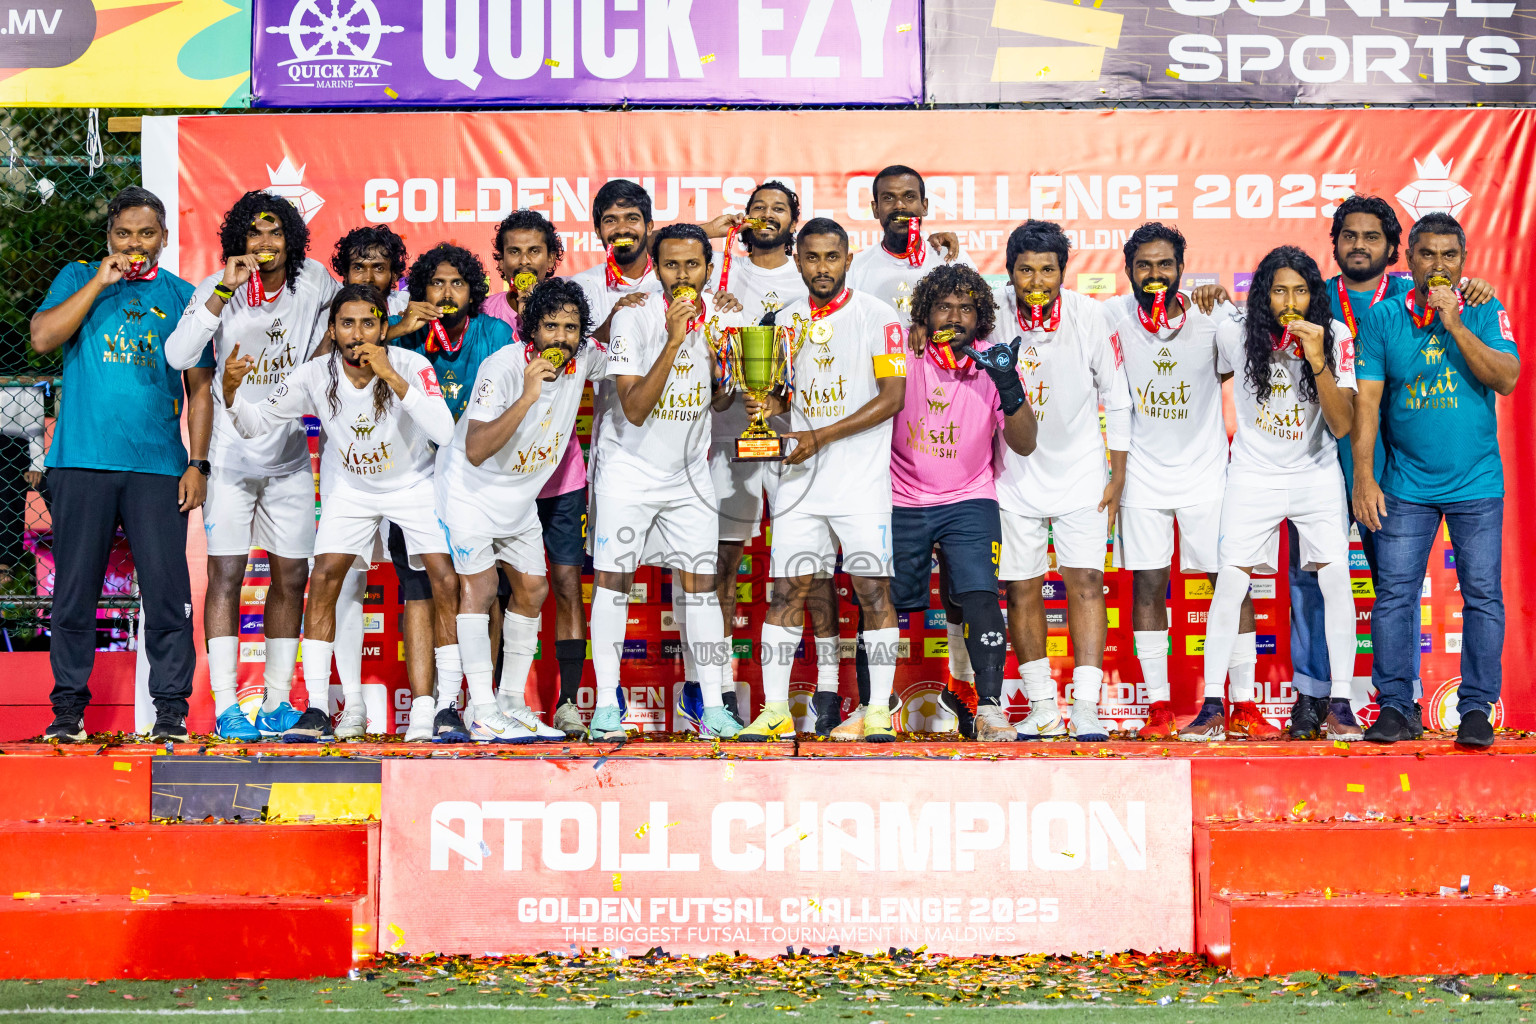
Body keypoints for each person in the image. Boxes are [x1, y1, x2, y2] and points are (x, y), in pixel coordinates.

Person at [1189, 197, 1495, 738]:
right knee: (1311, 585)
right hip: (1323, 468)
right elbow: (1256, 313)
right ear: (1334, 245)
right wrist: (1216, 299)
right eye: (1349, 236)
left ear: (1393, 249)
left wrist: (1478, 290)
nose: (1359, 245)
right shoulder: (1316, 295)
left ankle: (1397, 702)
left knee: (1393, 588)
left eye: (1372, 237)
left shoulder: (1411, 292)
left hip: (1392, 471)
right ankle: (1313, 697)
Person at [220, 285, 458, 743]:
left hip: (412, 484)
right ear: (333, 330)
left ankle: (439, 707)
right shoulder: (314, 374)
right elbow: (255, 425)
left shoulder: (412, 365)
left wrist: (390, 373)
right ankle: (314, 708)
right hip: (352, 487)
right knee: (326, 575)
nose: (357, 334)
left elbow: (444, 432)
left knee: (444, 579)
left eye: (368, 323)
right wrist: (231, 395)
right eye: (346, 324)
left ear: (384, 328)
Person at [30, 186, 213, 742]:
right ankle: (68, 714)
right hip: (81, 462)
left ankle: (171, 715)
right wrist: (98, 283)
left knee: (165, 592)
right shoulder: (78, 276)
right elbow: (42, 338)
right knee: (73, 592)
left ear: (164, 237)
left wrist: (198, 464)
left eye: (146, 233)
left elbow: (201, 389)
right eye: (123, 233)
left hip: (158, 467)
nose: (134, 244)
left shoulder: (183, 296)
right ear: (109, 236)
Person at [164, 191, 338, 741]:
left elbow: (350, 318)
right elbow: (178, 353)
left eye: (274, 233)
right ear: (239, 240)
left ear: (291, 238)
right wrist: (221, 290)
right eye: (253, 235)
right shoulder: (220, 287)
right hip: (231, 458)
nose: (264, 245)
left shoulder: (314, 282)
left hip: (288, 456)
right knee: (227, 577)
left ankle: (279, 703)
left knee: (292, 576)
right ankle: (226, 707)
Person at [1355, 212, 1519, 749]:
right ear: (1409, 260)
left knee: (1482, 596)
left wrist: (1455, 323)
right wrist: (1365, 477)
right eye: (1427, 255)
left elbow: (1507, 378)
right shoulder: (1383, 319)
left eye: (1450, 256)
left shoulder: (1485, 307)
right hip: (1405, 483)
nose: (1439, 266)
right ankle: (1397, 707)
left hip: (1476, 483)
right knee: (1395, 597)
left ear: (1464, 261)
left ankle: (1476, 710)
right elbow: (1369, 405)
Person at [740, 218, 907, 742]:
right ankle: (774, 710)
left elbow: (893, 397)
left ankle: (878, 710)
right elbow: (783, 397)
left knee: (873, 591)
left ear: (848, 259)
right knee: (786, 592)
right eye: (811, 258)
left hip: (860, 485)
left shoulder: (880, 317)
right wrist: (765, 405)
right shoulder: (781, 320)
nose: (821, 268)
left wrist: (822, 436)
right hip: (799, 483)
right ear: (798, 261)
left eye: (831, 257)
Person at [586, 223, 742, 741]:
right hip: (628, 473)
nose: (682, 276)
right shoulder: (634, 315)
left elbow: (719, 402)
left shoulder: (721, 315)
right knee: (614, 585)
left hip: (689, 477)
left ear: (707, 267)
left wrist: (728, 376)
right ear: (655, 266)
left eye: (692, 265)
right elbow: (632, 408)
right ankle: (608, 706)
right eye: (671, 265)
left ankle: (715, 706)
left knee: (701, 591)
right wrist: (674, 340)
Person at [1198, 246, 1360, 741]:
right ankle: (1210, 705)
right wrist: (1209, 295)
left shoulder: (1334, 336)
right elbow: (1205, 315)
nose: (1290, 300)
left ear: (1314, 295)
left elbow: (1342, 423)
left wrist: (1316, 358)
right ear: (1264, 295)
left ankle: (1342, 703)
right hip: (1253, 475)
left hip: (1315, 474)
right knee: (1229, 583)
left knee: (1335, 582)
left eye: (1300, 289)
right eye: (1279, 290)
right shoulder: (1234, 332)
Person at [1106, 223, 1259, 740]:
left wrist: (1229, 307)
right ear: (1128, 271)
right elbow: (1025, 303)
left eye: (1164, 265)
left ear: (1180, 269)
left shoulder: (1211, 316)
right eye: (1144, 266)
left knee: (1230, 585)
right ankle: (1158, 707)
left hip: (1208, 477)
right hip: (1142, 480)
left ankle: (1245, 706)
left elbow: (1254, 352)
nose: (1155, 276)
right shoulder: (1112, 317)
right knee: (1148, 585)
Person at [436, 278, 600, 742]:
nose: (562, 338)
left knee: (532, 590)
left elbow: (626, 359)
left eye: (571, 327)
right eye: (551, 326)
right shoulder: (503, 367)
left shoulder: (583, 357)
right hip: (470, 489)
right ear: (532, 329)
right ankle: (482, 710)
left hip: (519, 496)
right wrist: (527, 396)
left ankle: (510, 702)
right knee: (483, 586)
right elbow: (475, 449)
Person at [992, 221, 1128, 742]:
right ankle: (1043, 706)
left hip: (1081, 472)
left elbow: (1116, 398)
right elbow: (939, 311)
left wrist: (1118, 474)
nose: (1037, 281)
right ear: (1010, 273)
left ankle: (1088, 707)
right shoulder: (992, 312)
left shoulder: (1089, 315)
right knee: (1022, 588)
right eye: (1025, 270)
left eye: (1048, 270)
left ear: (1063, 272)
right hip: (1013, 474)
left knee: (1086, 584)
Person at [892, 264, 1036, 741]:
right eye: (942, 307)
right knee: (882, 602)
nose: (954, 316)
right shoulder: (903, 351)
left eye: (966, 308)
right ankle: (871, 709)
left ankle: (991, 708)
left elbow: (1026, 443)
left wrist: (1009, 385)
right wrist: (910, 330)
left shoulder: (991, 361)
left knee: (978, 595)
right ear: (924, 315)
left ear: (981, 317)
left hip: (970, 498)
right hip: (902, 497)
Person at [390, 243, 515, 741]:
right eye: (436, 283)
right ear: (421, 290)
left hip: (485, 481)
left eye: (456, 283)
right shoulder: (408, 338)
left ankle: (479, 703)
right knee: (422, 591)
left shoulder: (494, 333)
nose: (446, 293)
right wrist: (398, 331)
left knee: (487, 592)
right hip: (418, 478)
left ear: (473, 291)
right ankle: (429, 707)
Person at [482, 210, 590, 739]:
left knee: (566, 584)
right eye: (515, 252)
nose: (526, 262)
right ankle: (500, 702)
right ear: (499, 260)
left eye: (536, 252)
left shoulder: (576, 319)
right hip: (502, 482)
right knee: (501, 591)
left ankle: (567, 703)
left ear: (553, 259)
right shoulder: (482, 315)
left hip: (560, 477)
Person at [706, 181, 809, 726]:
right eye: (757, 208)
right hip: (728, 434)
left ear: (795, 220)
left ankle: (817, 695)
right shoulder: (719, 267)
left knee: (802, 567)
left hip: (792, 437)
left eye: (779, 208)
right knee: (723, 563)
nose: (767, 215)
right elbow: (660, 262)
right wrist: (707, 233)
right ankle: (720, 691)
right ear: (742, 218)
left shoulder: (810, 271)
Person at [324, 225, 411, 738]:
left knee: (420, 583)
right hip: (349, 472)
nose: (370, 276)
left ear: (396, 273)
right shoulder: (336, 316)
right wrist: (382, 334)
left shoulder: (419, 312)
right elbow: (318, 370)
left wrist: (397, 331)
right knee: (346, 585)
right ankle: (351, 704)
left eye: (380, 267)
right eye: (359, 267)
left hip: (410, 474)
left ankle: (434, 704)